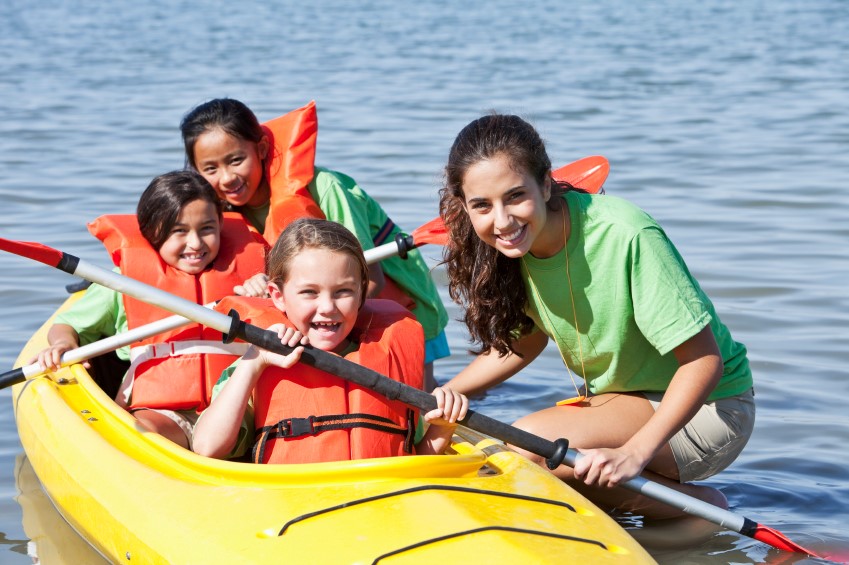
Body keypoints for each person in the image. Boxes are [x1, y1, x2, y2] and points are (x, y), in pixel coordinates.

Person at [439, 114, 755, 520]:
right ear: (464, 206)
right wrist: (446, 395)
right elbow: (527, 340)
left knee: (529, 447)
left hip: (712, 408)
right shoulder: (513, 248)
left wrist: (632, 453)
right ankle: (647, 511)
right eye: (482, 205)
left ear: (546, 183)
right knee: (487, 446)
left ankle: (695, 513)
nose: (502, 221)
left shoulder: (625, 234)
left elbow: (703, 361)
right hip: (631, 399)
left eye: (515, 196)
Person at [179, 98, 450, 390]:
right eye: (210, 168)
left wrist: (318, 326)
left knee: (420, 403)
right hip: (324, 316)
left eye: (236, 160)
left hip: (400, 306)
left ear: (261, 149)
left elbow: (372, 279)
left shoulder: (326, 188)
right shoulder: (220, 217)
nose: (227, 178)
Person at [192, 218, 468, 463]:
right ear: (278, 296)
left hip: (378, 501)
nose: (327, 306)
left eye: (343, 292)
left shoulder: (391, 358)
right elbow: (207, 447)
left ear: (362, 292)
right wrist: (254, 362)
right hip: (291, 504)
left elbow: (412, 461)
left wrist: (442, 428)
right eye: (310, 292)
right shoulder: (257, 360)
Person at [33, 171, 267, 448]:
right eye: (179, 231)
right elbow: (68, 324)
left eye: (206, 229)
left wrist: (264, 295)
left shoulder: (253, 279)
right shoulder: (123, 283)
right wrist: (62, 344)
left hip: (236, 409)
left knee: (214, 442)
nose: (195, 243)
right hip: (162, 414)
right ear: (151, 232)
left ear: (220, 225)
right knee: (140, 431)